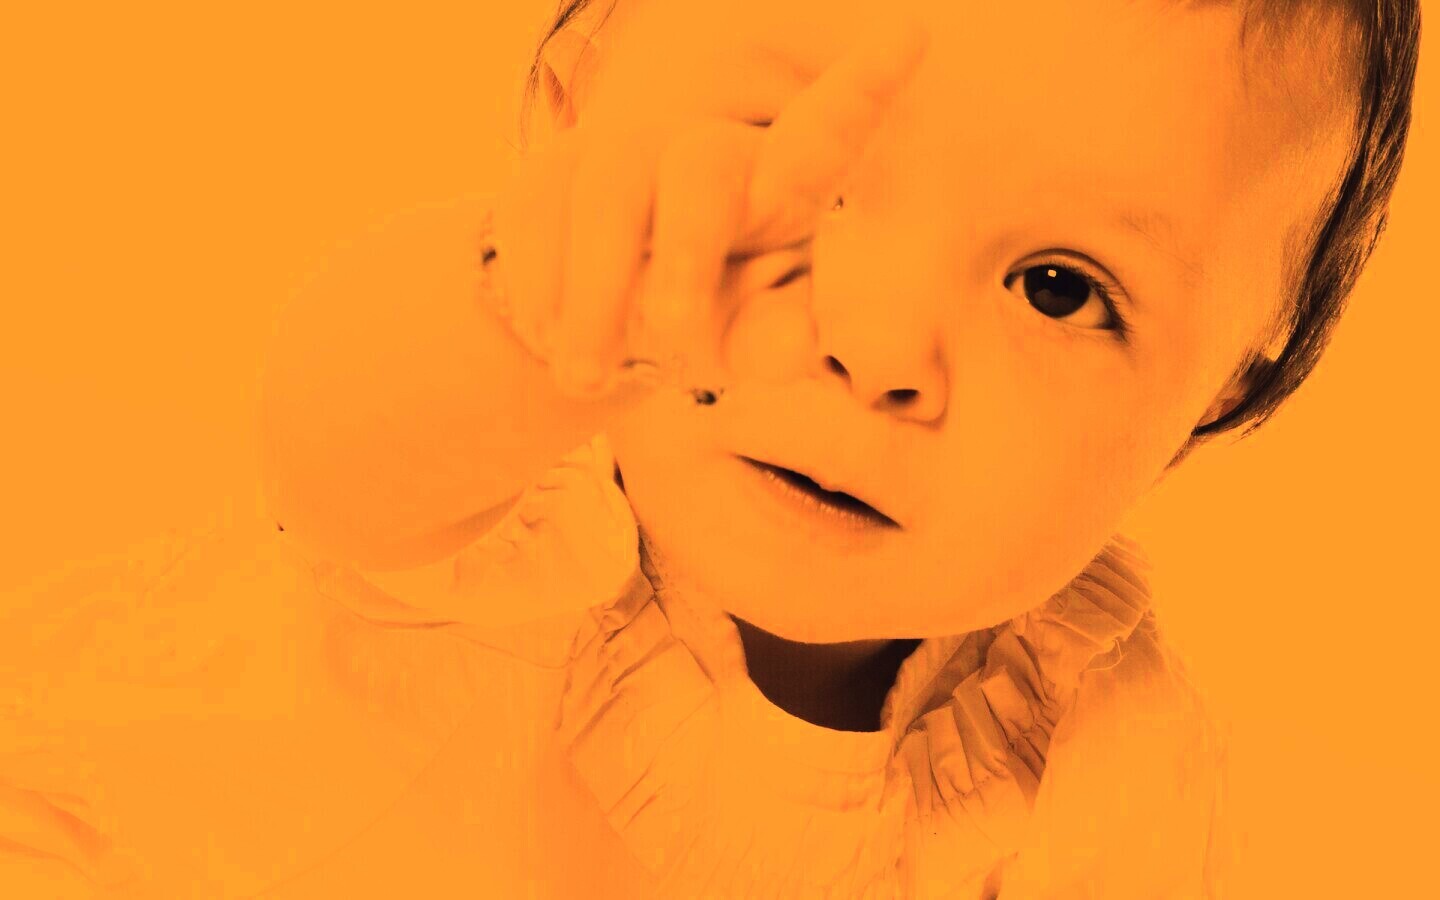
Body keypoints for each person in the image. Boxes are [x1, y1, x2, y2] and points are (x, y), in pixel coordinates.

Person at [1, 0, 1419, 896]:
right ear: (573, 105)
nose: (878, 349)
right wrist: (541, 314)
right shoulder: (508, 489)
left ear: (1219, 397)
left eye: (1058, 288)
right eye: (791, 171)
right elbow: (330, 453)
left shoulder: (1104, 764)